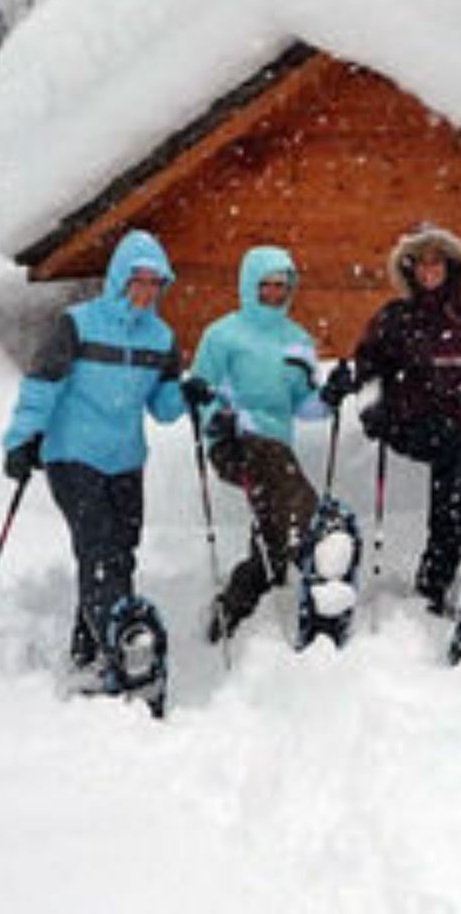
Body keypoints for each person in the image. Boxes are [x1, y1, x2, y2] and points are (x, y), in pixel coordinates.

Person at [1, 229, 187, 673]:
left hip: (125, 460)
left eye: (154, 282)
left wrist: (190, 393)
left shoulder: (161, 339)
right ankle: (123, 643)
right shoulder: (78, 324)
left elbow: (163, 409)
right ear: (120, 278)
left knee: (121, 550)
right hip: (71, 454)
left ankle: (93, 647)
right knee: (99, 546)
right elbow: (42, 385)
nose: (145, 291)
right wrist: (22, 439)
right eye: (138, 280)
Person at [320, 224, 461, 614]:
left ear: (452, 267)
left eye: (437, 262)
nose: (429, 270)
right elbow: (368, 369)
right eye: (421, 262)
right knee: (458, 454)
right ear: (411, 269)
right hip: (409, 420)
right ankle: (443, 570)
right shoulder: (395, 318)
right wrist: (373, 414)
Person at [184, 245, 328, 641]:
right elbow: (200, 392)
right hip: (233, 442)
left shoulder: (297, 340)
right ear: (250, 285)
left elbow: (303, 404)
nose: (274, 293)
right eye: (265, 285)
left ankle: (234, 609)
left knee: (271, 541)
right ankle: (317, 533)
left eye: (282, 286)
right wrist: (215, 417)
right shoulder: (223, 335)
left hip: (276, 452)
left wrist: (330, 397)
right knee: (278, 477)